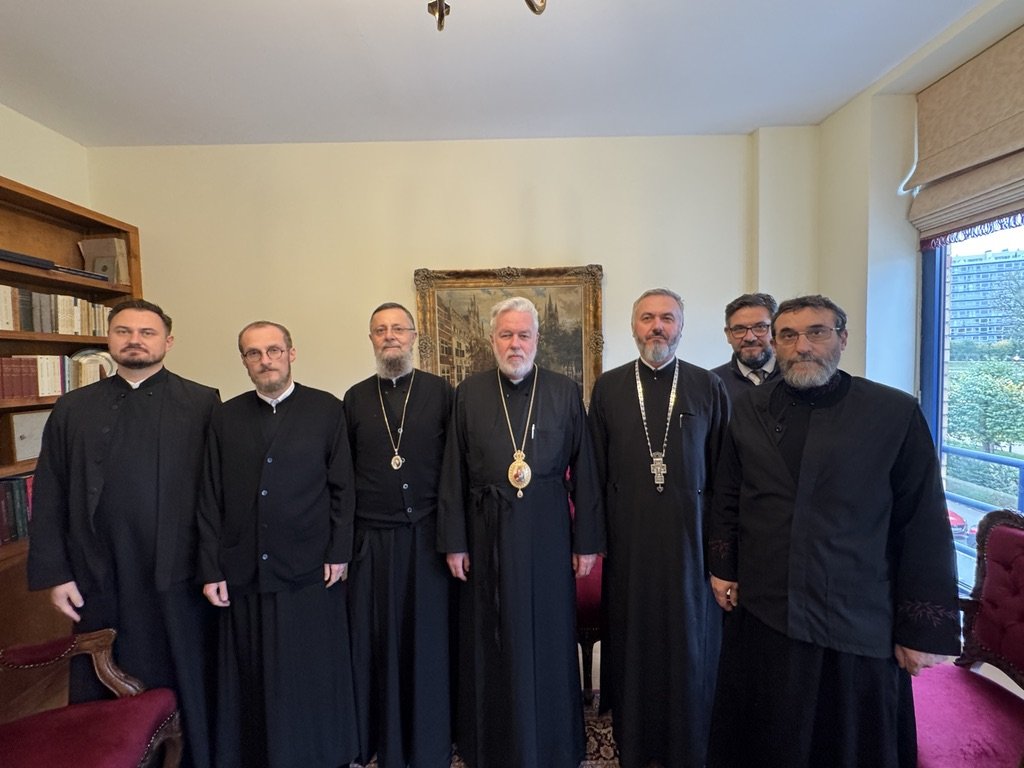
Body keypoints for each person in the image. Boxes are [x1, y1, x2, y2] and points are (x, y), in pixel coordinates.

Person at [706, 294, 960, 768]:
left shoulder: (893, 412)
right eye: (788, 335)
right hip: (766, 609)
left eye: (817, 332)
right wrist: (724, 566)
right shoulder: (750, 408)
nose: (802, 346)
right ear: (776, 344)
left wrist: (922, 630)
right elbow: (728, 491)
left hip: (854, 616)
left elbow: (922, 520)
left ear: (842, 338)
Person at [28, 298, 219, 768]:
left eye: (147, 332)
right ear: (109, 339)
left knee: (186, 674)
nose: (135, 340)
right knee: (100, 685)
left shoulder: (202, 403)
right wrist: (56, 573)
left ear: (167, 342)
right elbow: (50, 490)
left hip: (179, 572)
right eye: (124, 331)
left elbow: (218, 494)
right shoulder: (73, 408)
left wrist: (216, 566)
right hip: (97, 572)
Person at [438, 296, 604, 768]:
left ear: (537, 340)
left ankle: (553, 744)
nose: (515, 344)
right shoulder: (468, 393)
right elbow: (452, 472)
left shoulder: (564, 392)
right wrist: (454, 542)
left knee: (548, 636)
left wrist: (586, 542)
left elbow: (586, 471)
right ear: (492, 339)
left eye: (524, 335)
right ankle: (491, 744)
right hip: (485, 530)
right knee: (491, 637)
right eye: (506, 335)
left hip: (548, 531)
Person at [198, 320, 358, 768]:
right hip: (243, 568)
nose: (265, 360)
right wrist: (211, 568)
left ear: (291, 353)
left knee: (311, 670)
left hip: (310, 568)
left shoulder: (327, 409)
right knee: (253, 671)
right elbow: (209, 496)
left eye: (273, 350)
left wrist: (339, 551)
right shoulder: (225, 417)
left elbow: (343, 489)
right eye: (254, 353)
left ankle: (321, 754)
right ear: (244, 361)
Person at [588, 287, 729, 768]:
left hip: (692, 547)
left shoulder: (707, 386)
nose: (657, 327)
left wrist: (722, 554)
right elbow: (593, 472)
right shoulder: (608, 388)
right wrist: (596, 542)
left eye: (667, 318)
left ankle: (688, 747)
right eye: (647, 318)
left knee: (690, 647)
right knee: (633, 646)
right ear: (633, 327)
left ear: (681, 326)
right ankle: (636, 744)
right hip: (629, 546)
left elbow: (724, 476)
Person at [343, 302, 454, 768]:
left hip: (428, 540)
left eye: (398, 329)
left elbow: (455, 471)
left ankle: (431, 741)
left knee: (428, 645)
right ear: (371, 339)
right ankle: (382, 738)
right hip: (372, 542)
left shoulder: (441, 393)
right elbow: (344, 478)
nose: (390, 336)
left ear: (414, 337)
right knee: (378, 644)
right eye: (380, 330)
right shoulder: (354, 398)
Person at [710, 292, 780, 401]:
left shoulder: (795, 377)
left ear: (776, 330)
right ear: (728, 334)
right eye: (739, 329)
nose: (750, 338)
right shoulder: (712, 383)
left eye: (760, 327)